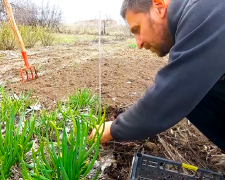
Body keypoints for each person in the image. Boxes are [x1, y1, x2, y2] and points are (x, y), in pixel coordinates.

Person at [90, 0, 225, 151]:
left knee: (182, 93)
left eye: (137, 29)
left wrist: (113, 129)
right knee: (195, 96)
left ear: (159, 7)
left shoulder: (205, 10)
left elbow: (172, 91)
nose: (138, 43)